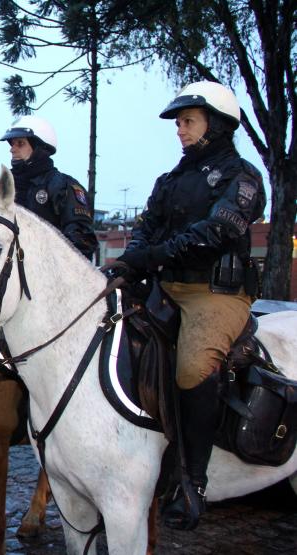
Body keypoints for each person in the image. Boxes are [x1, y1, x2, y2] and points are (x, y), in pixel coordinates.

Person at [116, 81, 266, 531]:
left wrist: (152, 257)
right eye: (179, 123)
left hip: (216, 293)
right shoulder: (171, 180)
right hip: (167, 286)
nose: (179, 130)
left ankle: (192, 483)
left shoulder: (243, 177)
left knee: (192, 367)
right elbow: (146, 227)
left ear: (216, 125)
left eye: (188, 121)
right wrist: (130, 260)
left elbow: (214, 234)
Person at [0, 116, 98, 259]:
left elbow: (82, 242)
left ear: (39, 148)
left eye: (20, 144)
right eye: (12, 144)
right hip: (9, 275)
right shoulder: (7, 188)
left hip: (51, 275)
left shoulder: (62, 185)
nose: (12, 150)